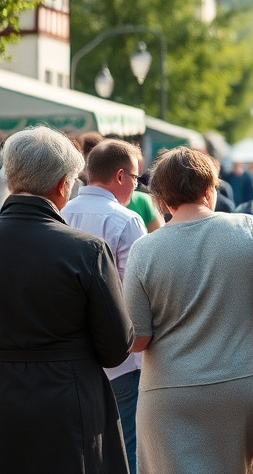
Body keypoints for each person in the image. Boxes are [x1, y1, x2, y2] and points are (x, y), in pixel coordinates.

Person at [122, 146, 253, 474]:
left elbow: (138, 338)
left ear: (161, 198)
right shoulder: (248, 229)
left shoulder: (144, 250)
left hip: (170, 391)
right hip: (241, 385)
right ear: (210, 189)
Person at [0, 127, 134, 473]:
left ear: (12, 178)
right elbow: (116, 346)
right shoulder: (85, 250)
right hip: (68, 405)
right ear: (63, 185)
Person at [62, 139, 149, 474]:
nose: (137, 186)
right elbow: (140, 290)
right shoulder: (126, 220)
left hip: (71, 356)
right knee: (127, 450)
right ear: (120, 176)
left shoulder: (60, 214)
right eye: (136, 178)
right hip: (121, 358)